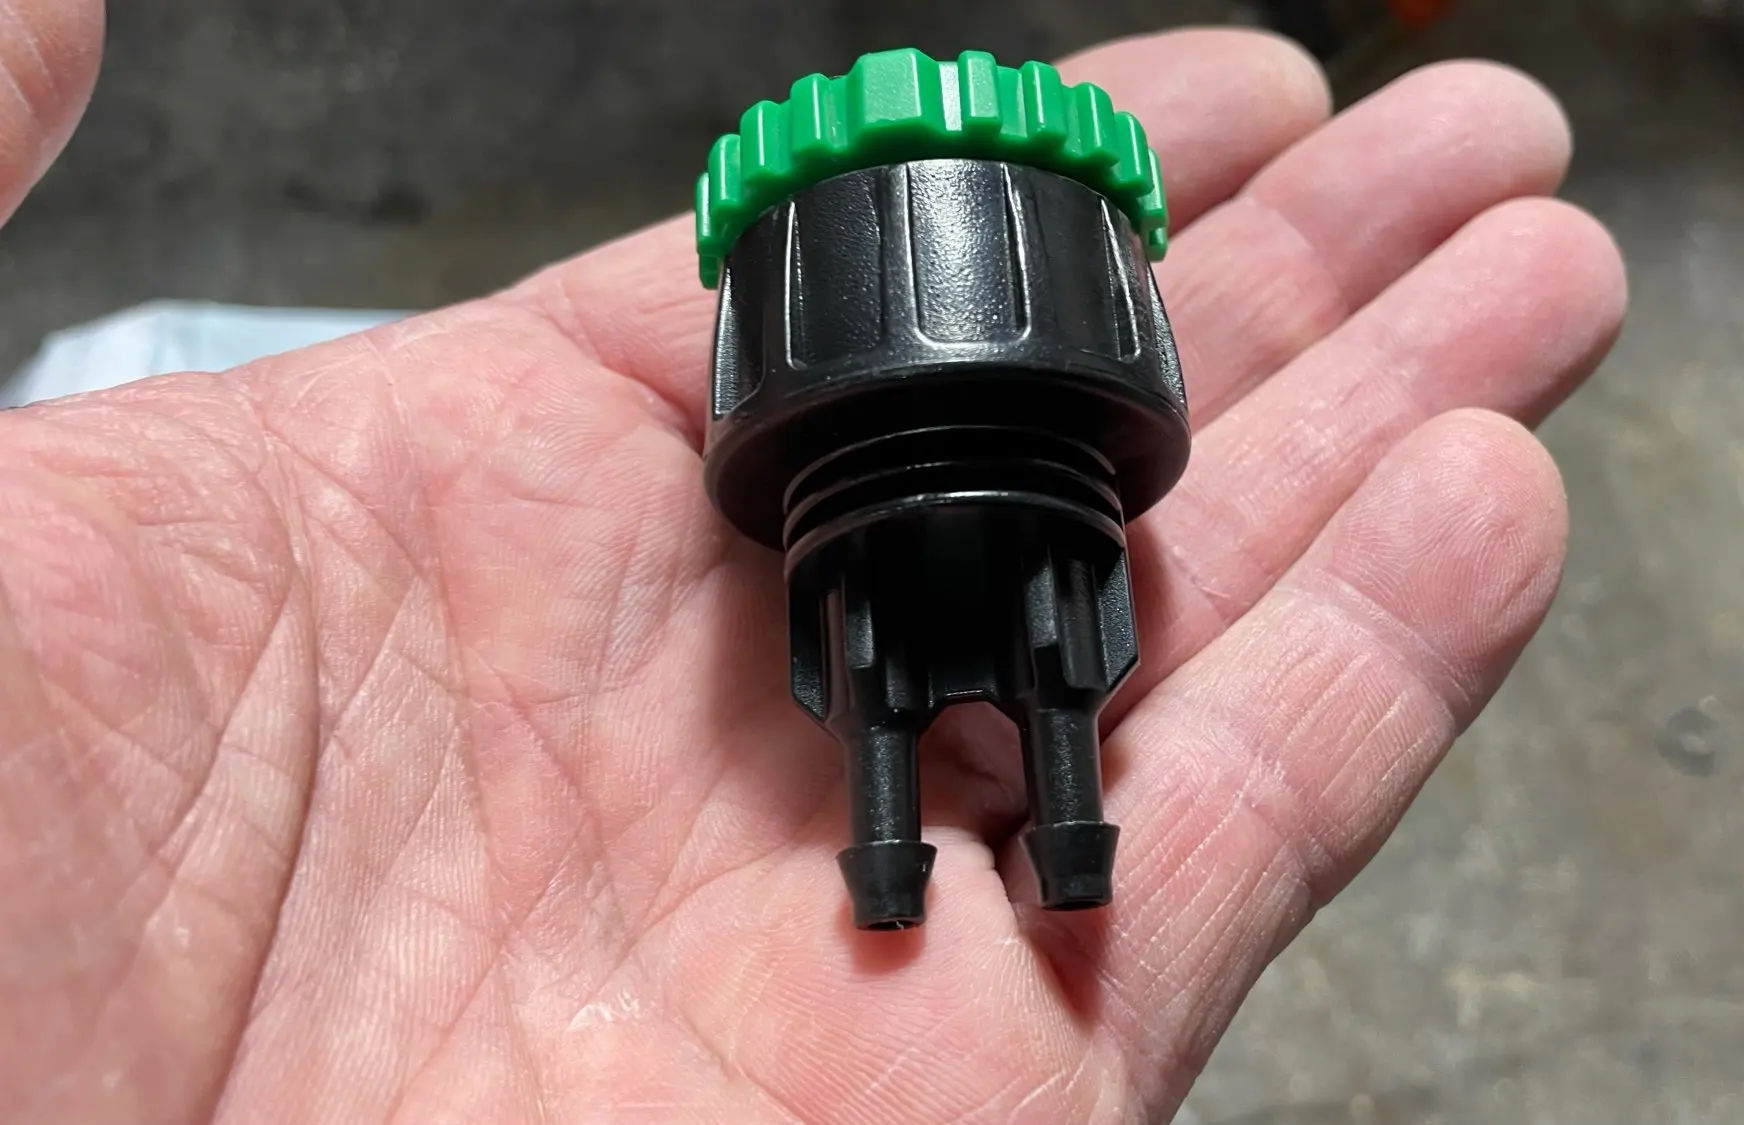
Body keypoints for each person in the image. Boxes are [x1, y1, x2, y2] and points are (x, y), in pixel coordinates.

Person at [0, 5, 1625, 1121]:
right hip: (948, 463)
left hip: (894, 467)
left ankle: (932, 841)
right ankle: (953, 835)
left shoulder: (841, 484)